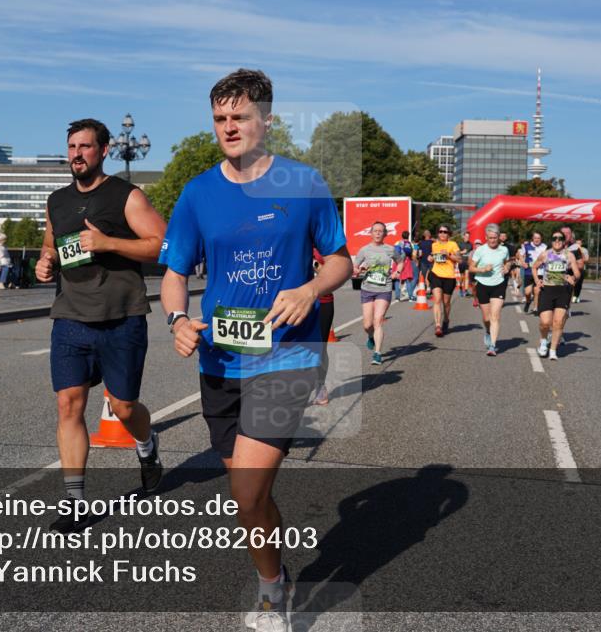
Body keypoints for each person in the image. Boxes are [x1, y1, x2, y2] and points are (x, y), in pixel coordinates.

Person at [158, 69, 352, 632]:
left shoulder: (303, 182)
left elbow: (340, 258)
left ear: (266, 119)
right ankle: (278, 574)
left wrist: (311, 289)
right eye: (219, 119)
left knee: (246, 489)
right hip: (219, 360)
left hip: (286, 356)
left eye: (239, 116)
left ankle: (270, 595)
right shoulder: (198, 193)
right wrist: (175, 318)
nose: (229, 127)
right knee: (250, 500)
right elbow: (174, 273)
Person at [35, 118, 167, 533]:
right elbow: (50, 245)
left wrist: (109, 243)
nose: (77, 154)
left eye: (85, 146)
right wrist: (45, 262)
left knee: (124, 407)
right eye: (72, 146)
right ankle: (76, 503)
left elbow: (164, 244)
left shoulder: (126, 196)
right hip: (71, 316)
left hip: (121, 317)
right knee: (68, 404)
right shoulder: (56, 201)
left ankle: (147, 446)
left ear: (105, 150)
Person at [354, 222, 402, 364]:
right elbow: (355, 267)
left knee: (378, 320)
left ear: (385, 233)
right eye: (375, 231)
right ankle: (370, 336)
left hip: (384, 288)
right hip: (367, 289)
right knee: (367, 325)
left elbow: (400, 261)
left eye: (380, 231)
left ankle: (377, 353)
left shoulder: (390, 250)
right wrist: (358, 270)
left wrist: (397, 272)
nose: (378, 233)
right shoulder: (364, 250)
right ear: (371, 233)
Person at [532, 231, 580, 361]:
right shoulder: (545, 254)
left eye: (560, 238)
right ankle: (543, 341)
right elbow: (534, 267)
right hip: (547, 290)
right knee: (545, 322)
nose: (557, 241)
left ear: (564, 241)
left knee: (558, 322)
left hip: (563, 291)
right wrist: (537, 280)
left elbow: (577, 273)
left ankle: (553, 350)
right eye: (554, 238)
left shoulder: (569, 255)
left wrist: (573, 277)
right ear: (551, 240)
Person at [469, 224, 512, 356]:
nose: (493, 240)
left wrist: (507, 267)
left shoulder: (504, 250)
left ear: (499, 237)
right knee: (486, 318)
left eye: (495, 237)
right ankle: (488, 331)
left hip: (498, 284)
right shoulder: (480, 250)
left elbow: (507, 261)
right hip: (482, 284)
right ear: (486, 237)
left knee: (495, 315)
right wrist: (482, 269)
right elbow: (471, 268)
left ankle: (492, 346)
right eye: (490, 238)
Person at [425, 224, 460, 337]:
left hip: (449, 277)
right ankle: (438, 325)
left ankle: (446, 320)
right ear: (438, 233)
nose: (442, 234)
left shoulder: (453, 244)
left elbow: (459, 259)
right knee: (437, 300)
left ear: (448, 234)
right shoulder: (434, 245)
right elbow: (432, 256)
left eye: (445, 232)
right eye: (440, 231)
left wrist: (449, 255)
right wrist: (430, 258)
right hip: (436, 274)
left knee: (446, 303)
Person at [312, 248, 334, 405]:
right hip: (295, 302)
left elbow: (333, 274)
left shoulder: (323, 248)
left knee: (320, 347)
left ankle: (320, 385)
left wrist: (314, 264)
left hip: (322, 302)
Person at [519, 232, 546, 314]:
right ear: (532, 238)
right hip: (529, 272)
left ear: (541, 239)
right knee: (527, 292)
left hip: (540, 271)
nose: (537, 240)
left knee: (537, 290)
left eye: (538, 238)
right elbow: (520, 255)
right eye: (535, 238)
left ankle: (535, 308)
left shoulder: (545, 247)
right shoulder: (526, 246)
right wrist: (523, 263)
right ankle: (528, 301)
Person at [571, 237, 589, 302]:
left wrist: (581, 253)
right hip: (573, 269)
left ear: (581, 243)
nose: (578, 244)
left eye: (579, 243)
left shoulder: (585, 250)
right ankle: (571, 296)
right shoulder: (572, 249)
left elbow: (586, 260)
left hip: (581, 269)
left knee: (579, 284)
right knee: (572, 283)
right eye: (577, 243)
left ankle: (576, 296)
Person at [400, 234, 416, 302]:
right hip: (409, 261)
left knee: (401, 278)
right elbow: (414, 254)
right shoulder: (411, 244)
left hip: (401, 261)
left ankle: (403, 294)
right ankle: (410, 296)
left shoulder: (399, 243)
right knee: (408, 279)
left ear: (402, 236)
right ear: (408, 236)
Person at [457, 231, 473, 297]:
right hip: (461, 262)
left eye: (468, 237)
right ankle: (460, 288)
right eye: (466, 236)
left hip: (467, 262)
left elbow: (471, 253)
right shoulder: (460, 244)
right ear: (463, 236)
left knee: (467, 276)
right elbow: (456, 253)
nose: (467, 238)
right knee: (462, 277)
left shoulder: (470, 245)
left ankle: (466, 291)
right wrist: (462, 252)